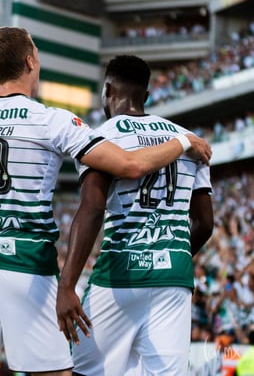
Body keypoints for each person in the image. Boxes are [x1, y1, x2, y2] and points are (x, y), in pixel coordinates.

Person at [0, 0, 211, 376]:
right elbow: (129, 165)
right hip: (28, 266)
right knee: (56, 372)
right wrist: (181, 141)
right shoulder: (53, 120)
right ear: (29, 62)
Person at [56, 54, 214, 376]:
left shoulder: (102, 138)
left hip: (119, 275)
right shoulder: (189, 142)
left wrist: (67, 285)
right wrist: (169, 257)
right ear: (147, 95)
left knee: (88, 370)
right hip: (174, 277)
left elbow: (93, 208)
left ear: (108, 90)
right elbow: (205, 223)